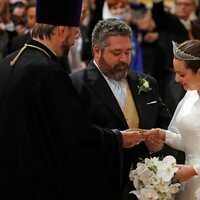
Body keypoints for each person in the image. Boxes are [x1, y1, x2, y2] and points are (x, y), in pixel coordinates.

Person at [0, 0, 147, 199]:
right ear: (61, 30)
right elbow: (75, 135)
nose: (73, 41)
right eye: (74, 34)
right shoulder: (48, 72)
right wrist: (118, 138)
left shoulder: (9, 60)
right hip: (37, 183)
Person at [70, 18, 185, 200]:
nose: (124, 59)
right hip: (97, 186)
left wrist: (160, 144)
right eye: (116, 53)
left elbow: (166, 125)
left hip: (145, 188)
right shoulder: (76, 85)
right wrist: (117, 140)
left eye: (128, 52)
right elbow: (75, 138)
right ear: (97, 51)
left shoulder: (146, 82)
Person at [145, 39, 200, 200]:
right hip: (188, 180)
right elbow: (192, 141)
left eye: (182, 74)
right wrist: (164, 135)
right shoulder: (190, 93)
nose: (176, 79)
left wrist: (195, 169)